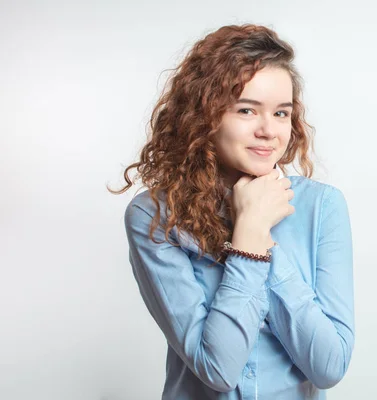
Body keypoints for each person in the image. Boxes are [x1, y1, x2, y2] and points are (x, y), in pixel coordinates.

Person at [109, 24, 354, 400]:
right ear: (204, 115)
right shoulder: (154, 216)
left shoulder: (322, 207)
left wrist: (264, 245)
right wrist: (249, 240)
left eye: (281, 113)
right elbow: (218, 369)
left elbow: (329, 366)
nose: (268, 131)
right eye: (246, 110)